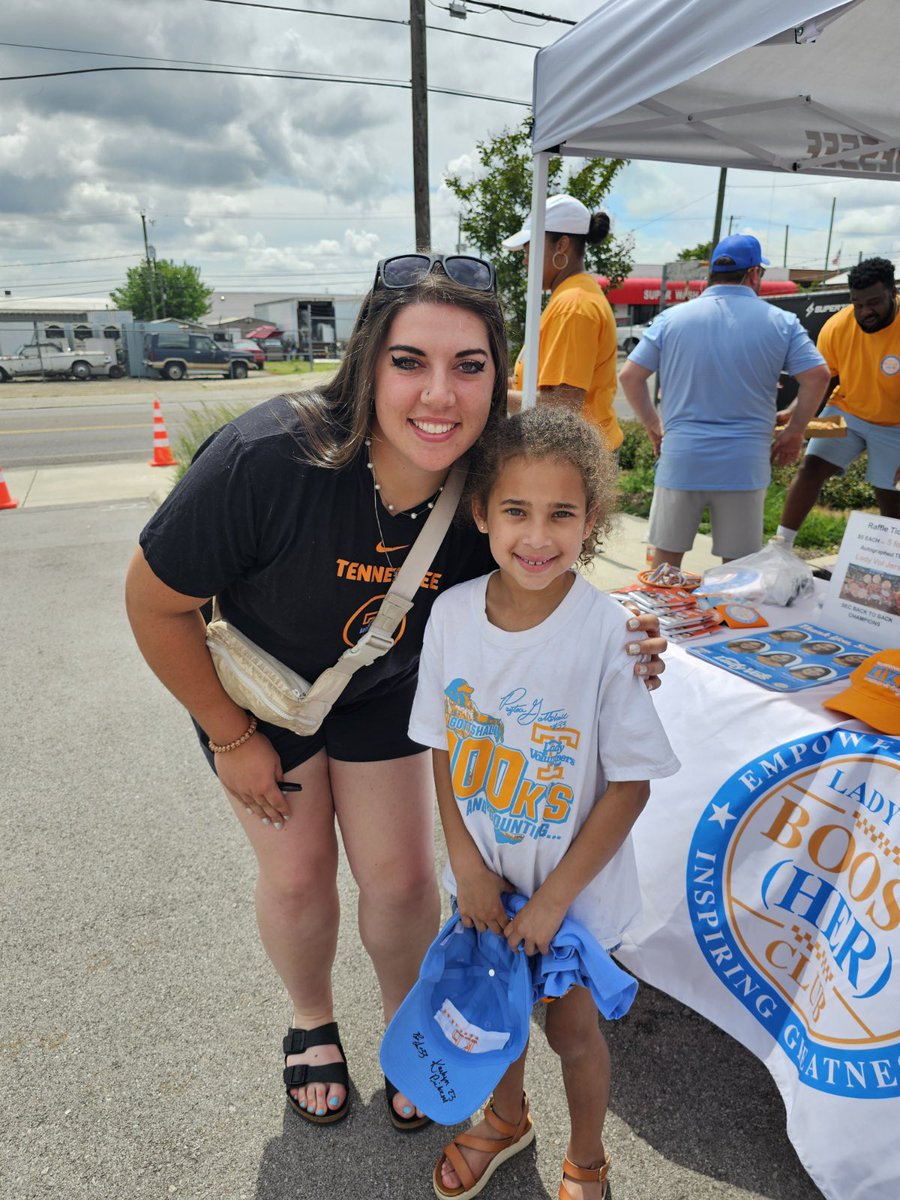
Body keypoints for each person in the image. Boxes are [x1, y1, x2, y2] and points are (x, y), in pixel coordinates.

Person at [123, 254, 667, 1132]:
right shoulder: (269, 458)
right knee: (299, 876)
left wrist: (627, 638)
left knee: (406, 881)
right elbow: (153, 603)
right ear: (369, 361)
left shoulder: (491, 478)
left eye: (469, 365)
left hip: (384, 694)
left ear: (499, 375)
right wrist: (230, 739)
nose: (438, 395)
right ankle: (310, 1020)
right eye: (410, 361)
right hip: (262, 697)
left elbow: (545, 582)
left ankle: (410, 1031)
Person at [408, 406, 680, 1199]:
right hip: (486, 880)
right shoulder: (451, 616)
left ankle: (588, 1157)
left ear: (591, 520)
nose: (537, 536)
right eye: (516, 511)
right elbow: (445, 746)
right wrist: (465, 864)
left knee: (569, 1029)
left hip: (576, 895)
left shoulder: (610, 634)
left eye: (561, 513)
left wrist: (555, 903)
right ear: (482, 513)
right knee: (493, 1013)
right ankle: (504, 1116)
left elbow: (630, 782)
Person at [619, 234, 831, 569]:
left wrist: (654, 428)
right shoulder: (780, 322)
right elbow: (818, 376)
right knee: (737, 570)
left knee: (665, 565)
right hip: (743, 464)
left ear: (712, 273)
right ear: (754, 274)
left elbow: (630, 376)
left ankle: (661, 620)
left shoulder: (672, 319)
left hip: (682, 458)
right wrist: (794, 430)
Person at [776, 257, 900, 545]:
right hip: (847, 412)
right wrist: (795, 417)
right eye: (858, 304)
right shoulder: (836, 327)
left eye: (874, 302)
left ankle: (889, 566)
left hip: (895, 425)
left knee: (892, 495)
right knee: (812, 465)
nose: (865, 312)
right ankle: (780, 546)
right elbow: (824, 380)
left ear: (892, 292)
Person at [503, 194, 622, 450]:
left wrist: (493, 398)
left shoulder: (573, 305)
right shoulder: (571, 297)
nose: (526, 261)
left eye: (530, 250)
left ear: (562, 246)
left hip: (575, 458)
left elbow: (562, 406)